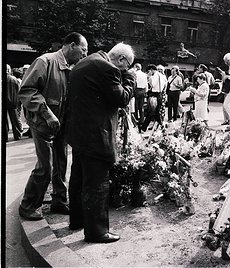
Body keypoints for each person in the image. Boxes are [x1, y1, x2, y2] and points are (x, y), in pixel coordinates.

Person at [66, 43, 135, 243]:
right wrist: (129, 79)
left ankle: (77, 220)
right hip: (96, 136)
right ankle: (96, 231)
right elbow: (121, 98)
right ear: (121, 59)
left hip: (79, 133)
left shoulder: (86, 61)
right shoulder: (108, 68)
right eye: (127, 66)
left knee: (79, 178)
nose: (125, 71)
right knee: (97, 183)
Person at [18, 32, 88, 220]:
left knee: (61, 163)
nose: (84, 55)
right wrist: (47, 113)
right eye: (83, 50)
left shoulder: (70, 68)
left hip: (61, 125)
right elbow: (26, 91)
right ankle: (28, 205)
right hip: (42, 123)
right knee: (45, 167)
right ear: (71, 45)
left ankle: (59, 200)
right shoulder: (45, 61)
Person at [141, 64, 165, 131]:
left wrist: (149, 78)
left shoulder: (154, 76)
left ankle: (143, 127)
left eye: (149, 71)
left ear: (151, 70)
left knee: (151, 112)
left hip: (154, 95)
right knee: (157, 112)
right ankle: (161, 126)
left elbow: (153, 85)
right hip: (160, 94)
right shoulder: (162, 76)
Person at [5, 64, 24, 141]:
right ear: (9, 70)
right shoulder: (14, 79)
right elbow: (19, 90)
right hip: (13, 102)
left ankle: (4, 137)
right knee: (15, 120)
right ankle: (17, 136)